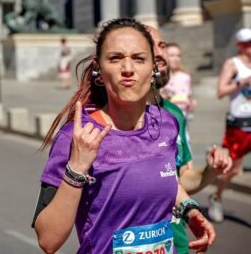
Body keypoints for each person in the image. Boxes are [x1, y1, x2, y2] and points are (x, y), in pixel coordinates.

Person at [33, 18, 215, 254]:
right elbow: (48, 240)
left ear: (153, 69)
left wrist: (190, 210)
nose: (128, 69)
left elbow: (164, 176)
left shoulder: (167, 124)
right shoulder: (77, 136)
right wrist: (76, 169)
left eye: (139, 59)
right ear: (99, 70)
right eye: (115, 58)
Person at [147, 26, 232, 254]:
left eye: (162, 45)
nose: (160, 54)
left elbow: (180, 179)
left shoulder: (174, 114)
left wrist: (212, 170)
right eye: (149, 45)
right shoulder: (101, 119)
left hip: (175, 243)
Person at [210, 27, 251, 222]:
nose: (250, 47)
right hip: (240, 124)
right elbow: (220, 92)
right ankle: (216, 197)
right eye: (246, 44)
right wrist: (241, 83)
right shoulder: (232, 64)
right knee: (233, 169)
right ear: (239, 46)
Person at [161, 42, 196, 118]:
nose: (176, 59)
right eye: (172, 55)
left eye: (178, 56)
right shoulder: (159, 77)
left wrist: (191, 103)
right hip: (165, 120)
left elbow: (189, 97)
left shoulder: (185, 77)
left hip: (182, 119)